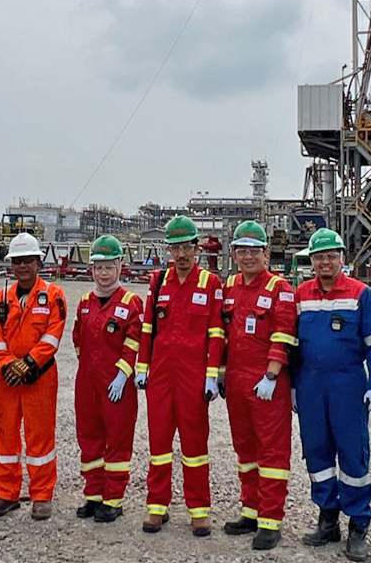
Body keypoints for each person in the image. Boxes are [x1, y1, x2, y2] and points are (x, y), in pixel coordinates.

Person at [293, 228, 371, 562]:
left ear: (342, 258)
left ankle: (358, 526)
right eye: (319, 257)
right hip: (310, 385)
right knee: (317, 454)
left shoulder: (360, 294)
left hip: (348, 383)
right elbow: (292, 345)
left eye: (331, 255)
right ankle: (328, 518)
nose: (325, 262)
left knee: (352, 455)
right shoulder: (301, 294)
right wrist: (293, 385)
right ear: (311, 261)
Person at [135, 215, 223, 536]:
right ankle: (156, 506)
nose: (181, 254)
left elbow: (216, 332)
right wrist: (141, 367)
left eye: (186, 247)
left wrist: (212, 376)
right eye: (175, 248)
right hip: (160, 376)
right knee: (158, 444)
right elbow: (147, 328)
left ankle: (199, 510)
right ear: (168, 250)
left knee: (195, 445)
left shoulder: (210, 283)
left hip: (193, 378)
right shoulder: (158, 282)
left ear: (196, 248)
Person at [219, 221, 298, 550]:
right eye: (242, 250)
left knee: (272, 452)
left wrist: (272, 374)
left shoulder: (280, 288)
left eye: (255, 251)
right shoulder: (231, 286)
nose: (248, 256)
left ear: (266, 253)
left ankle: (270, 520)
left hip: (268, 383)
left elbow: (284, 333)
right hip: (236, 380)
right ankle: (250, 511)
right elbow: (222, 334)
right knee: (245, 450)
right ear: (234, 253)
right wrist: (221, 372)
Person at [0, 233, 67, 521]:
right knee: (5, 435)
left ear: (38, 262)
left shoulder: (54, 295)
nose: (22, 266)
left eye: (28, 261)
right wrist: (7, 366)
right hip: (7, 380)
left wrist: (30, 364)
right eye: (17, 261)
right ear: (11, 265)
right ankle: (6, 494)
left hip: (40, 379)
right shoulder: (0, 298)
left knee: (40, 438)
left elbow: (53, 334)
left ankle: (41, 495)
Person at [72, 235, 143, 523]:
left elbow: (134, 342)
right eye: (98, 267)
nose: (103, 273)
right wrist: (90, 370)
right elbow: (78, 340)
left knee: (116, 441)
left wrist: (121, 374)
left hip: (118, 386)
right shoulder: (85, 302)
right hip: (87, 382)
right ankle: (94, 495)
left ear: (120, 267)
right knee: (88, 438)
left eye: (109, 267)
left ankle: (113, 500)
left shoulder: (131, 302)